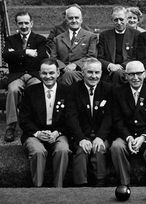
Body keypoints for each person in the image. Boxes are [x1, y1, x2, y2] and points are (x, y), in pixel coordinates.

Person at [19, 58, 71, 187]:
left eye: (51, 73)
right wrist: (37, 133)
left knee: (63, 150)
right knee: (38, 151)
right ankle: (39, 189)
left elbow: (70, 118)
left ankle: (58, 188)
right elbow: (24, 119)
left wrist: (57, 133)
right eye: (44, 73)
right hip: (34, 134)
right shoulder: (30, 92)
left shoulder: (67, 91)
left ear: (58, 73)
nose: (48, 77)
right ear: (39, 73)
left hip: (58, 133)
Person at [110, 61, 146, 187]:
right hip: (127, 135)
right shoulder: (118, 92)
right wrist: (128, 137)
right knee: (116, 146)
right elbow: (117, 120)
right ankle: (124, 184)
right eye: (131, 74)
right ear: (126, 76)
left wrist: (143, 137)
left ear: (144, 74)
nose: (135, 78)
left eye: (139, 74)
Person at [67, 58, 112, 187]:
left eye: (97, 72)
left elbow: (109, 117)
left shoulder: (109, 89)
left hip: (101, 134)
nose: (94, 76)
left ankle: (100, 184)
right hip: (81, 134)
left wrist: (100, 137)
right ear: (82, 73)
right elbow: (71, 117)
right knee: (81, 151)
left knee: (99, 149)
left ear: (101, 73)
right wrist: (81, 138)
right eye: (90, 72)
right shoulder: (73, 90)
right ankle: (81, 187)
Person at [2, 11, 46, 142]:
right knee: (13, 90)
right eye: (20, 23)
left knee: (38, 89)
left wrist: (16, 54)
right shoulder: (10, 39)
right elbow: (6, 57)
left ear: (31, 23)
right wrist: (26, 52)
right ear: (16, 24)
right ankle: (11, 126)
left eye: (26, 22)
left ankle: (38, 123)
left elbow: (41, 58)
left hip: (34, 75)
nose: (24, 26)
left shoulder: (40, 39)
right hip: (16, 76)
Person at [50, 6, 97, 86]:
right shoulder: (57, 39)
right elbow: (53, 58)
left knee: (68, 76)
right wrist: (64, 67)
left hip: (82, 72)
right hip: (62, 72)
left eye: (76, 18)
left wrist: (75, 65)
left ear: (81, 20)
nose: (74, 20)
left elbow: (91, 56)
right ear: (66, 21)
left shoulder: (91, 37)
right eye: (70, 18)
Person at [97, 6, 141, 84]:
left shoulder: (136, 34)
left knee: (118, 74)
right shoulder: (104, 35)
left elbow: (137, 56)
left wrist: (120, 67)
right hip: (108, 72)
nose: (119, 23)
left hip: (128, 71)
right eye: (116, 20)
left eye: (121, 19)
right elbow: (99, 57)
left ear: (127, 19)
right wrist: (110, 65)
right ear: (112, 21)